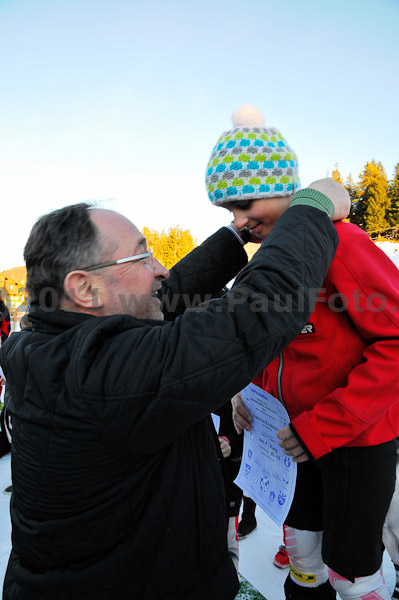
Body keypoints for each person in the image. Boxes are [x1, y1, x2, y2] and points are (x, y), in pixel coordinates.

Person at [0, 185, 346, 599]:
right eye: (143, 256)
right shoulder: (103, 378)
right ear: (84, 288)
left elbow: (168, 296)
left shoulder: (52, 349)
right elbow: (257, 312)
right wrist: (312, 207)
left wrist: (235, 239)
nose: (160, 268)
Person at [207, 105, 399, 600]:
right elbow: (273, 340)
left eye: (247, 203)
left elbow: (395, 343)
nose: (240, 221)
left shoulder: (342, 245)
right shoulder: (267, 260)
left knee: (351, 571)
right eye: (228, 210)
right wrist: (245, 390)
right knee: (304, 558)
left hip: (352, 441)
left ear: (286, 188)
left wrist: (322, 427)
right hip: (292, 443)